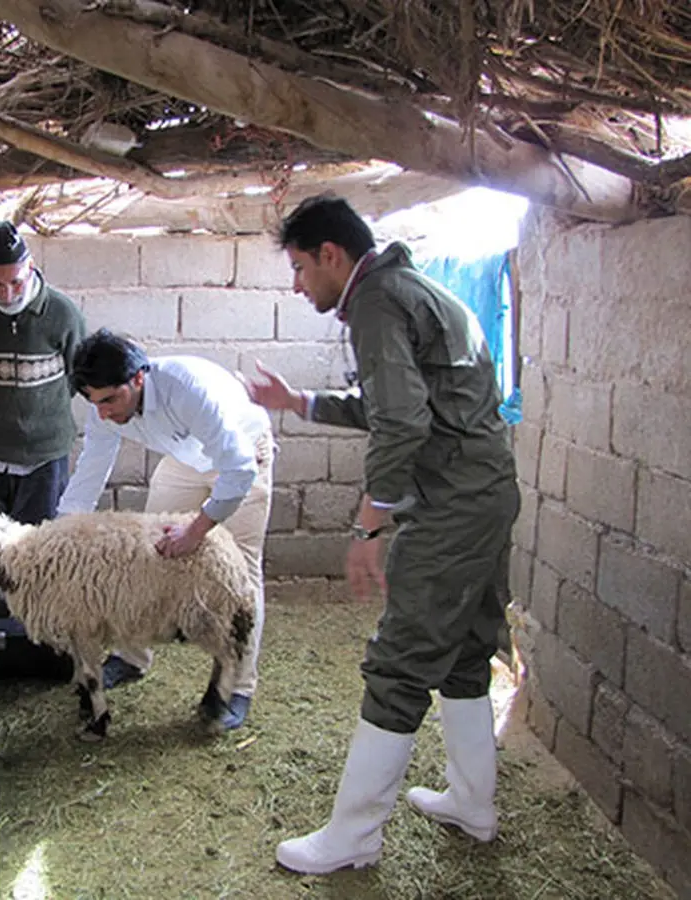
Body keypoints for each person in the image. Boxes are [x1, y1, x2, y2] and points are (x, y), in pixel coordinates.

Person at [245, 195, 519, 874]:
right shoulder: (413, 289)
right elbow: (400, 402)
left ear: (332, 255)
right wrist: (298, 402)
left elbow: (401, 423)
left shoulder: (374, 302)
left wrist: (371, 522)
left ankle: (354, 837)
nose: (298, 284)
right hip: (486, 493)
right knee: (463, 651)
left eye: (301, 268)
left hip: (451, 507)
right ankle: (472, 803)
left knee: (398, 665)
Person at [57, 328, 274, 730]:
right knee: (146, 553)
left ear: (138, 378)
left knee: (242, 575)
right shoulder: (102, 405)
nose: (102, 411)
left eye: (110, 400)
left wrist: (197, 531)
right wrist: (64, 532)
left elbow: (238, 466)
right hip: (185, 457)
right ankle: (132, 656)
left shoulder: (185, 388)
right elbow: (92, 465)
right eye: (93, 401)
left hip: (243, 454)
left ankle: (237, 688)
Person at [0, 221, 86, 524]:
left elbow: (76, 373)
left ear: (30, 267)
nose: (7, 292)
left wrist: (36, 406)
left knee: (37, 548)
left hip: (44, 452)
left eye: (15, 282)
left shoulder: (61, 312)